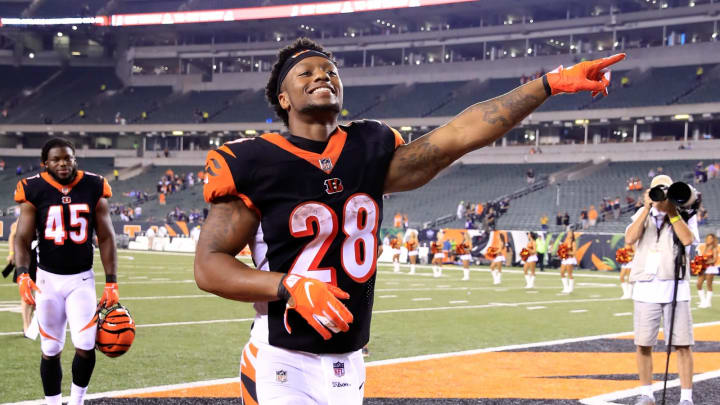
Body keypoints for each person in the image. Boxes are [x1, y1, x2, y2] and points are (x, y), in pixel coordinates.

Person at [192, 37, 623, 405]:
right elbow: (209, 265)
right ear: (283, 99)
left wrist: (548, 84)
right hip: (281, 355)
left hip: (349, 358)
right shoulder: (254, 160)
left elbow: (460, 134)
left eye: (329, 70)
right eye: (305, 73)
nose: (322, 76)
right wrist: (287, 285)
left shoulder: (369, 146)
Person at [13, 138, 118, 405]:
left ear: (75, 160)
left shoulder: (94, 185)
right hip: (47, 280)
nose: (63, 163)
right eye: (56, 159)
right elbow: (22, 238)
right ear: (44, 163)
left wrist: (111, 282)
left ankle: (77, 400)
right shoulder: (33, 188)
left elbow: (106, 237)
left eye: (68, 158)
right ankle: (52, 403)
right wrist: (23, 273)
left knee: (85, 344)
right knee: (50, 348)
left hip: (81, 279)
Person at [625, 175, 698, 405]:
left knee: (683, 345)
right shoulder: (642, 213)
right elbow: (629, 238)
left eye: (665, 189)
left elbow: (687, 240)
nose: (661, 195)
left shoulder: (685, 214)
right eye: (657, 190)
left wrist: (672, 212)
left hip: (675, 286)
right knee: (643, 343)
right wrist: (647, 208)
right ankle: (646, 393)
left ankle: (686, 398)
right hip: (646, 287)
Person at [6, 218, 37, 336]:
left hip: (42, 258)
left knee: (40, 295)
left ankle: (34, 324)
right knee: (26, 293)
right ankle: (26, 327)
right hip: (25, 257)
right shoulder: (25, 215)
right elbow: (12, 235)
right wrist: (12, 253)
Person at [697, 234, 718, 308]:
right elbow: (701, 257)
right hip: (703, 268)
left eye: (711, 238)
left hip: (710, 268)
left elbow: (715, 259)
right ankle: (703, 301)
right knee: (699, 284)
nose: (709, 240)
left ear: (713, 240)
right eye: (708, 238)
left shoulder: (714, 248)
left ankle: (708, 302)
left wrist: (706, 262)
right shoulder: (704, 247)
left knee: (709, 285)